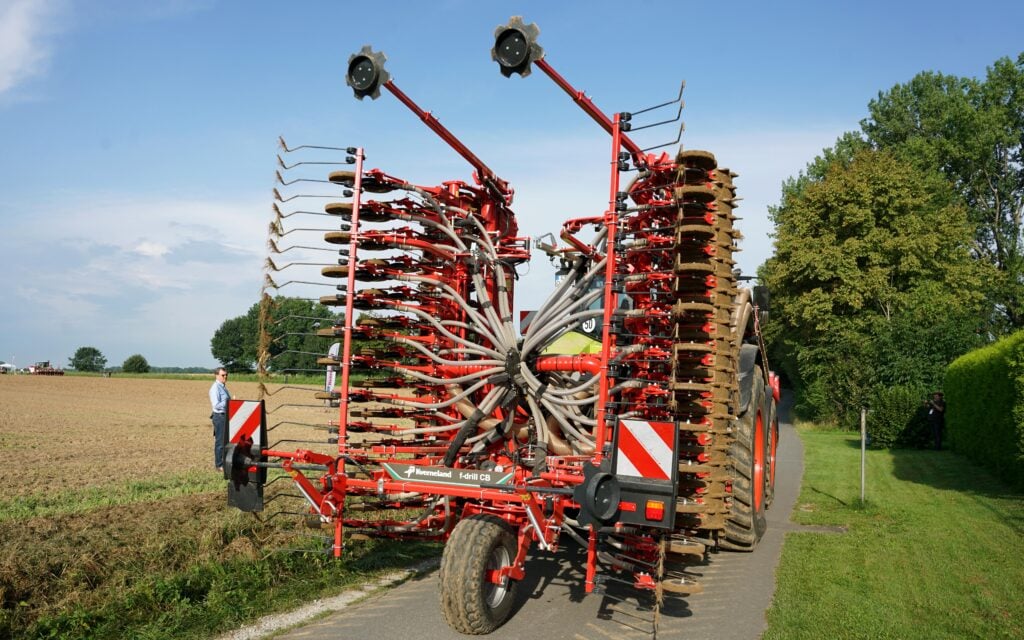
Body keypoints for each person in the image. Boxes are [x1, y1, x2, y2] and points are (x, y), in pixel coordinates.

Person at [209, 368, 231, 470]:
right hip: (220, 416)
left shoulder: (223, 387)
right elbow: (216, 405)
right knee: (220, 441)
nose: (225, 377)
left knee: (225, 441)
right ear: (216, 375)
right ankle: (219, 465)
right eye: (223, 375)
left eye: (226, 375)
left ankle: (225, 462)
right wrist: (228, 402)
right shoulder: (215, 388)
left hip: (225, 416)